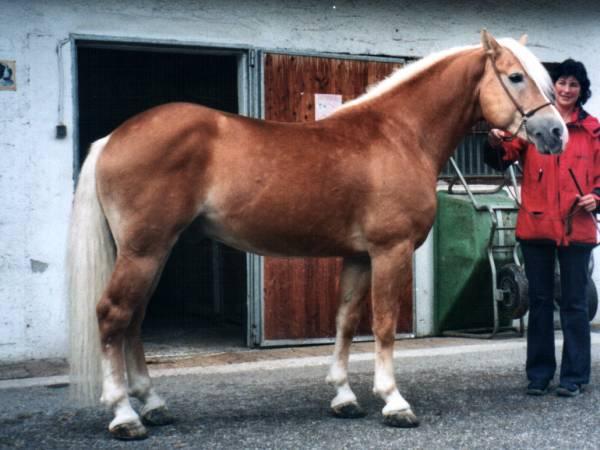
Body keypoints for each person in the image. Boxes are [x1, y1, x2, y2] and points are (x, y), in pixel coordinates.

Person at [487, 59, 600, 397]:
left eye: (573, 85)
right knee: (538, 303)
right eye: (562, 83)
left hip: (576, 229)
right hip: (535, 226)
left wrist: (596, 197)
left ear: (582, 91)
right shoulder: (534, 125)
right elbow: (505, 156)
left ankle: (574, 378)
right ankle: (538, 376)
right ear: (553, 87)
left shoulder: (593, 130)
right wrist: (495, 141)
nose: (566, 90)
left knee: (575, 305)